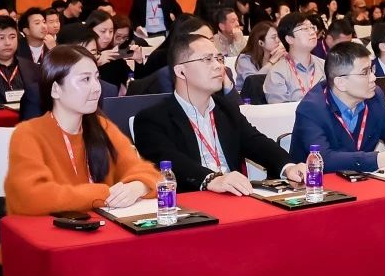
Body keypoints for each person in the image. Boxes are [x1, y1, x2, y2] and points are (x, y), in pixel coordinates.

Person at [132, 32, 307, 193]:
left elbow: (256, 142)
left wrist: (288, 166)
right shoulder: (152, 119)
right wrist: (211, 179)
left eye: (219, 58)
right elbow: (172, 162)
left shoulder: (226, 109)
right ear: (181, 71)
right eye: (207, 59)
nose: (219, 66)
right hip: (191, 204)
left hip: (234, 198)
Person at [4, 46, 158, 216]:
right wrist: (105, 194)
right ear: (55, 89)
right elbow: (30, 197)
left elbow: (151, 174)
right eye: (85, 79)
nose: (96, 87)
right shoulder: (28, 134)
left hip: (98, 225)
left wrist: (138, 186)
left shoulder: (102, 127)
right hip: (47, 229)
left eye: (97, 78)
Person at [289, 41, 385, 172]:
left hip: (362, 179)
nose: (373, 78)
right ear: (341, 83)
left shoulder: (374, 97)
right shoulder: (311, 109)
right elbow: (323, 160)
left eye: (372, 69)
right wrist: (382, 159)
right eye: (365, 73)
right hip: (316, 183)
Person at [263, 12, 325, 103]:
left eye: (312, 27)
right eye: (304, 28)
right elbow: (280, 110)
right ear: (289, 39)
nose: (312, 32)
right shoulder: (277, 73)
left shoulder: (325, 66)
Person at [235, 21, 284, 92]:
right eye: (273, 37)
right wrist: (272, 62)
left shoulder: (277, 55)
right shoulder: (245, 59)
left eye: (278, 37)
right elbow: (252, 83)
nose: (278, 40)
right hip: (248, 96)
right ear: (261, 42)